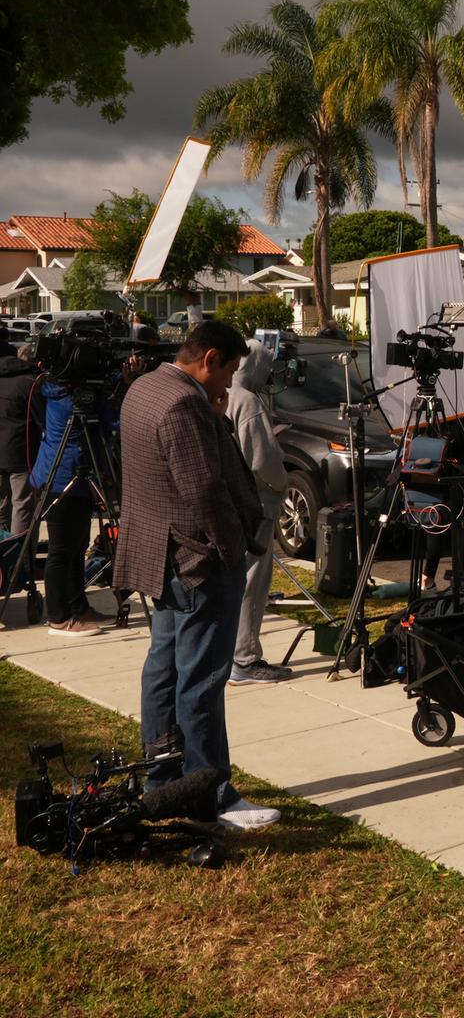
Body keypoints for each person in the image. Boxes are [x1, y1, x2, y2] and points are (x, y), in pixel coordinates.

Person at [114, 320, 279, 831]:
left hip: (158, 556)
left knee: (163, 669)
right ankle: (212, 795)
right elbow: (204, 488)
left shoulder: (144, 386)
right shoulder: (183, 403)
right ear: (209, 359)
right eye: (228, 371)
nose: (230, 383)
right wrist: (232, 550)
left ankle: (163, 783)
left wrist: (217, 417)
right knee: (201, 681)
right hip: (196, 562)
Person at [29, 357, 119, 636]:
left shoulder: (54, 390)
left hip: (66, 475)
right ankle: (58, 617)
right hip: (63, 478)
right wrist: (121, 386)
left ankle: (79, 608)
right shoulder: (75, 398)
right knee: (61, 551)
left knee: (78, 546)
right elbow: (115, 420)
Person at [226, 339, 291, 685]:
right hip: (255, 503)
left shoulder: (217, 393)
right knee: (252, 580)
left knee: (230, 580)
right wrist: (282, 484)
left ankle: (230, 654)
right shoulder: (246, 400)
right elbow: (262, 459)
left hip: (227, 503)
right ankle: (245, 658)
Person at [0, 339, 37, 537]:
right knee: (22, 504)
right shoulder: (28, 382)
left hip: (8, 449)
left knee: (3, 504)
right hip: (20, 453)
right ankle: (19, 551)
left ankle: (5, 550)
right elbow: (43, 418)